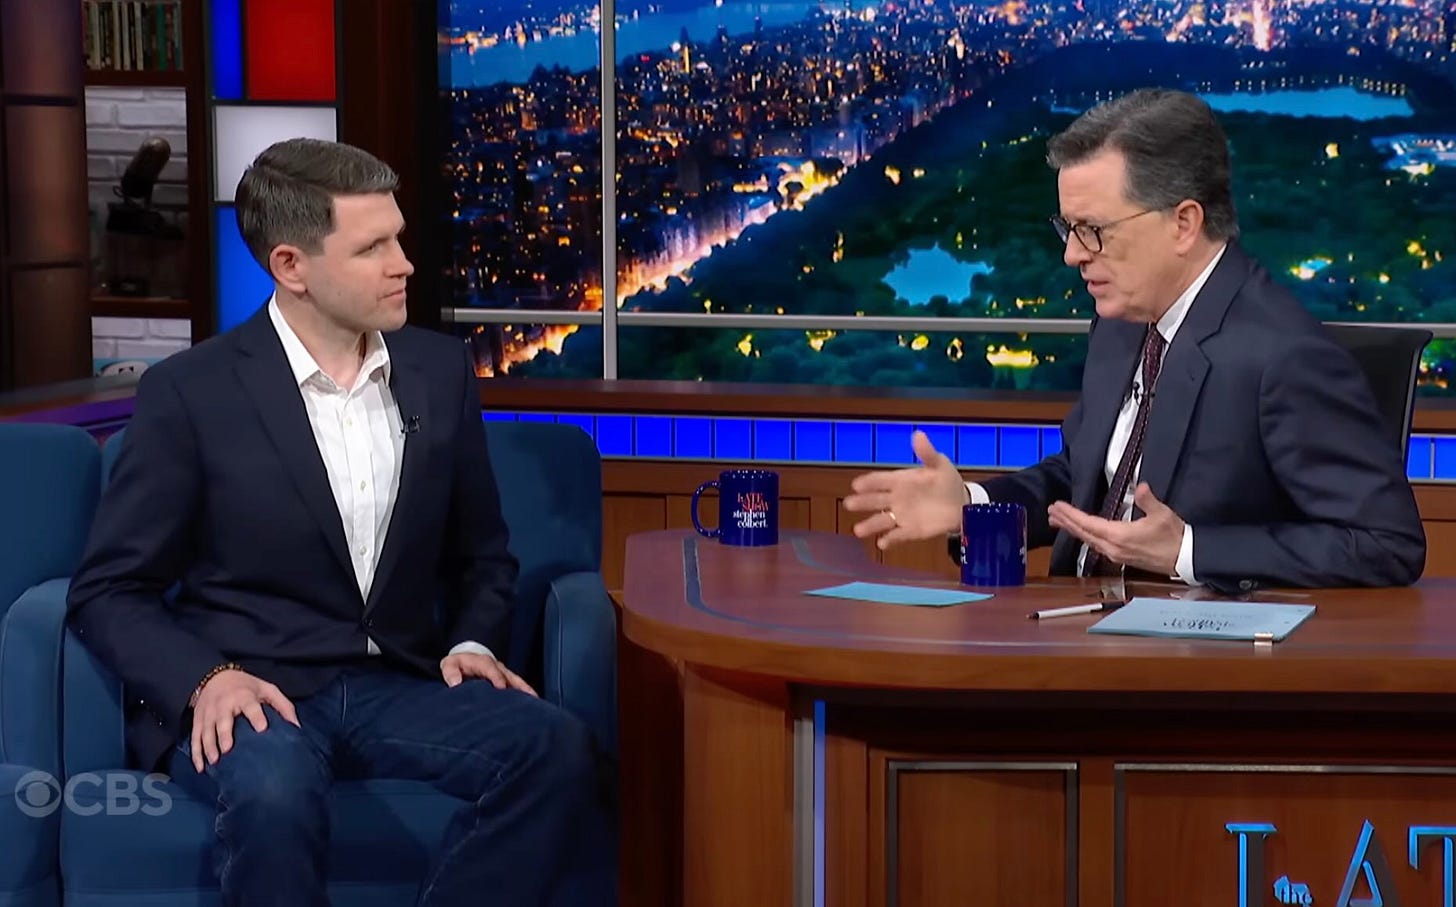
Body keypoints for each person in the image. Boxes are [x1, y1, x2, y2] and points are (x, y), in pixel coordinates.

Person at [66, 138, 613, 906]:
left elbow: (483, 553)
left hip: (400, 682)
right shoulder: (190, 393)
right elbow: (108, 589)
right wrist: (205, 678)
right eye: (372, 248)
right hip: (257, 686)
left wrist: (472, 641)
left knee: (558, 748)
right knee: (275, 792)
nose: (404, 264)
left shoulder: (439, 372)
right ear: (292, 266)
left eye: (398, 238)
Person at [844, 89, 1425, 591]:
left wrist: (1187, 551)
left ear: (1184, 223)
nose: (1073, 254)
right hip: (1072, 628)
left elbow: (1385, 543)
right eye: (1068, 229)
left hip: (1189, 659)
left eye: (1093, 230)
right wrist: (972, 506)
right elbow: (1082, 479)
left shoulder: (1284, 355)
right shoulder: (1122, 321)